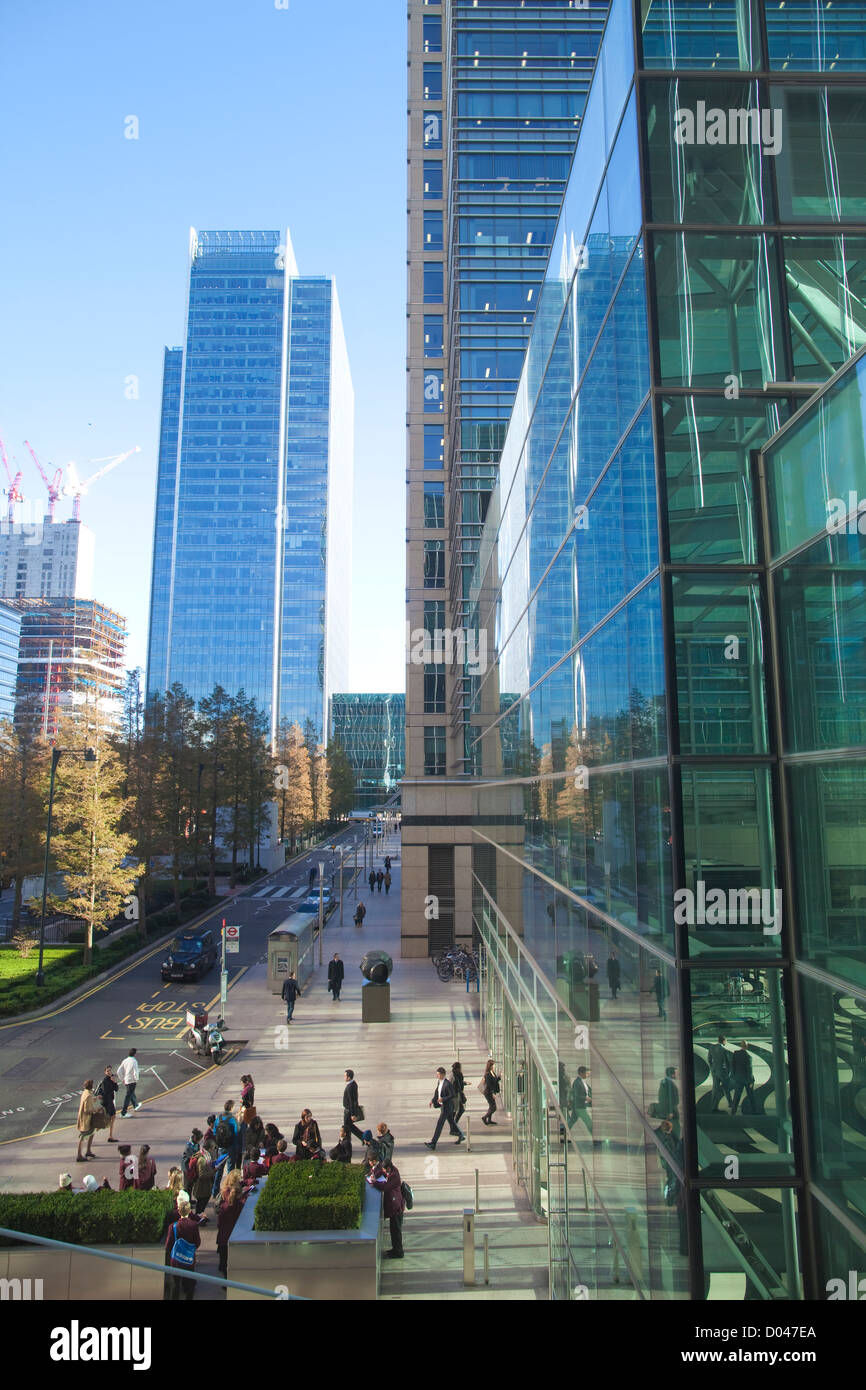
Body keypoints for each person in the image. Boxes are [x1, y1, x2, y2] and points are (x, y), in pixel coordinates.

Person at [367, 1158, 406, 1259]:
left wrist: (374, 1182)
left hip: (397, 1207)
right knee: (393, 1230)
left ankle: (398, 1252)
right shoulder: (391, 1170)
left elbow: (385, 1187)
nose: (383, 1171)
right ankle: (395, 1249)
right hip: (394, 1206)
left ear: (388, 1167)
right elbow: (381, 1171)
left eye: (384, 1169)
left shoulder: (394, 1175)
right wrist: (375, 1175)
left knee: (396, 1231)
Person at [166, 1196, 201, 1301]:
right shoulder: (194, 1225)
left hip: (176, 1259)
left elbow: (168, 1245)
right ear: (189, 1211)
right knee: (189, 1285)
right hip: (189, 1259)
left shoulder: (173, 1226)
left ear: (179, 1211)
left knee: (175, 1285)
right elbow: (197, 1242)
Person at [216, 1170, 245, 1278]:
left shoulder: (224, 1207)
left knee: (224, 1258)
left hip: (224, 1234)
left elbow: (220, 1221)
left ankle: (225, 1279)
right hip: (235, 1234)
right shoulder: (240, 1206)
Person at [426, 1066, 464, 1148]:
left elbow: (452, 1095)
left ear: (443, 1074)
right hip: (443, 1107)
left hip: (447, 1107)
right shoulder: (439, 1082)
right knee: (452, 1122)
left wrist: (443, 1099)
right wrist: (432, 1100)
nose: (437, 1076)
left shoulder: (448, 1084)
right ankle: (461, 1135)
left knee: (439, 1124)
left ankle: (433, 1143)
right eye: (437, 1074)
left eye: (438, 1074)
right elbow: (437, 1092)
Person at [707, 1035, 733, 1112]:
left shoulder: (711, 1048)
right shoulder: (724, 1050)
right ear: (724, 1041)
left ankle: (713, 1106)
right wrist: (728, 1073)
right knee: (726, 1087)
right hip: (722, 1071)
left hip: (714, 1071)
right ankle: (730, 1103)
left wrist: (712, 1068)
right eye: (726, 1041)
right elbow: (727, 1063)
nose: (726, 1042)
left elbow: (709, 1059)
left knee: (715, 1088)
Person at [730, 1041, 755, 1116]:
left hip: (738, 1078)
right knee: (751, 1095)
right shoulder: (748, 1057)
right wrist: (751, 1081)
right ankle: (754, 1111)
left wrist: (734, 1076)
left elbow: (732, 1065)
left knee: (737, 1096)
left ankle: (733, 1112)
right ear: (747, 1047)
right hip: (747, 1079)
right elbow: (749, 1070)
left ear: (741, 1046)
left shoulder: (735, 1054)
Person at [76, 1080, 98, 1163]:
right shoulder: (88, 1095)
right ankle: (79, 1155)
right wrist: (94, 1111)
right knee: (83, 1137)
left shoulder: (86, 1092)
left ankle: (88, 1151)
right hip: (86, 1120)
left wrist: (93, 1100)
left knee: (92, 1133)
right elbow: (86, 1109)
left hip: (83, 1118)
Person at [95, 1065, 119, 1141]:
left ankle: (110, 1136)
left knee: (113, 1117)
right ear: (105, 1072)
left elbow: (116, 1089)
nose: (109, 1072)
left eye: (110, 1070)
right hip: (107, 1102)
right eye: (107, 1071)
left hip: (109, 1101)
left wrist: (115, 1082)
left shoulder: (111, 1079)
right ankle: (96, 1128)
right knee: (107, 1119)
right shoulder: (105, 1081)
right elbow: (106, 1092)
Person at [657, 1065, 680, 1139]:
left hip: (669, 1109)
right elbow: (668, 1098)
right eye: (676, 1073)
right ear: (672, 1075)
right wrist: (670, 1111)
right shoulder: (669, 1084)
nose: (677, 1075)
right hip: (671, 1110)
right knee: (674, 1127)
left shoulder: (664, 1082)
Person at [117, 1048, 142, 1116]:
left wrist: (122, 1079)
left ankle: (135, 1105)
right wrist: (136, 1079)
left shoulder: (125, 1060)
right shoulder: (134, 1061)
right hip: (132, 1081)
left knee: (131, 1093)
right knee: (128, 1095)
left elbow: (118, 1071)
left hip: (127, 1080)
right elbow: (135, 1071)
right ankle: (123, 1113)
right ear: (134, 1054)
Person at [343, 1069, 365, 1141]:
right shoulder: (354, 1084)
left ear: (349, 1077)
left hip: (349, 1111)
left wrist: (353, 1114)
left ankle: (362, 1137)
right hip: (350, 1110)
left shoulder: (350, 1087)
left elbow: (351, 1101)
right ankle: (361, 1137)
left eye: (345, 1076)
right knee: (349, 1127)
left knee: (348, 1127)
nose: (344, 1077)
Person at [480, 1058, 501, 1126]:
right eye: (493, 1065)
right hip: (488, 1092)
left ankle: (489, 1120)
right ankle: (484, 1117)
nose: (494, 1066)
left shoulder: (492, 1073)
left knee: (491, 1106)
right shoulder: (488, 1074)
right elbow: (489, 1085)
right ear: (490, 1066)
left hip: (491, 1091)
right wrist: (492, 1093)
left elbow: (494, 1082)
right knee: (493, 1107)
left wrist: (499, 1077)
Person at [451, 1062, 466, 1130]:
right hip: (455, 1095)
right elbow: (454, 1085)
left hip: (458, 1094)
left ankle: (454, 1124)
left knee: (461, 1109)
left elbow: (459, 1083)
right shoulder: (453, 1075)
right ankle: (453, 1125)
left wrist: (464, 1083)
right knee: (455, 1110)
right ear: (457, 1068)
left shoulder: (458, 1074)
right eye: (460, 1067)